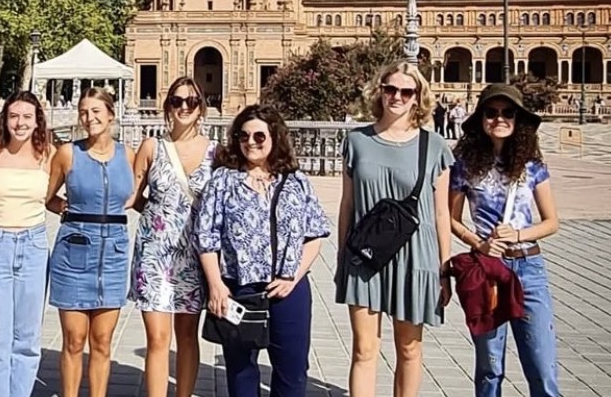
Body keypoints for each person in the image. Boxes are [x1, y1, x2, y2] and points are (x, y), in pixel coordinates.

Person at [193, 104, 330, 397]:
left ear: (274, 137)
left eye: (259, 136)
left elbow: (315, 234)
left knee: (292, 371)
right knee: (241, 371)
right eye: (243, 136)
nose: (250, 142)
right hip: (238, 287)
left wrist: (293, 276)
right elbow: (206, 237)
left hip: (287, 289)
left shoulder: (294, 181)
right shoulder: (223, 180)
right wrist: (216, 285)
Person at [335, 61, 454, 397]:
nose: (397, 97)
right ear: (379, 91)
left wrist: (444, 269)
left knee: (409, 350)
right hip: (365, 255)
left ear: (418, 97)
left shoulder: (434, 146)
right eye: (390, 89)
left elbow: (442, 213)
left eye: (406, 91)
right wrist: (343, 256)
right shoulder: (356, 141)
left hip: (415, 257)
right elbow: (347, 206)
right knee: (364, 349)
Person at [449, 84, 560, 397]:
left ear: (518, 119)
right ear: (482, 118)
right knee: (490, 367)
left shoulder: (533, 167)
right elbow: (450, 219)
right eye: (491, 112)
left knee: (541, 365)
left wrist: (519, 234)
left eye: (507, 112)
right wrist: (478, 243)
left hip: (529, 268)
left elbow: (552, 222)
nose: (499, 119)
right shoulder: (465, 166)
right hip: (489, 270)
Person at [129, 76, 216, 397]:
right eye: (177, 101)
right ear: (167, 106)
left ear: (200, 108)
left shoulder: (215, 153)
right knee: (157, 338)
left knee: (187, 336)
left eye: (191, 102)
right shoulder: (152, 146)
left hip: (194, 258)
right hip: (154, 255)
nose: (184, 107)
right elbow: (133, 196)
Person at [46, 87, 136, 397]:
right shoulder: (68, 153)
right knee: (73, 339)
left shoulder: (129, 155)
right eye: (84, 112)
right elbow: (47, 197)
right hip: (74, 252)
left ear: (111, 114)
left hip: (113, 253)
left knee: (102, 341)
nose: (90, 118)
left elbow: (136, 196)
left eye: (96, 111)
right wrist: (64, 208)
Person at [0, 91, 53, 397]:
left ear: (37, 121)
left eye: (27, 117)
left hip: (33, 245)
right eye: (14, 116)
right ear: (5, 120)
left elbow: (57, 195)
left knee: (27, 339)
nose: (20, 123)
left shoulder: (49, 154)